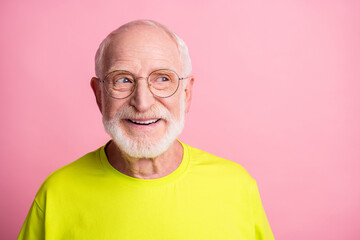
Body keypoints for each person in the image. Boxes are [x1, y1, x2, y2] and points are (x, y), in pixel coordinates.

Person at [18, 20, 275, 240]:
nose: (142, 102)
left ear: (186, 93)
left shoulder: (237, 186)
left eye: (162, 78)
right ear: (99, 95)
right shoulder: (56, 193)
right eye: (123, 79)